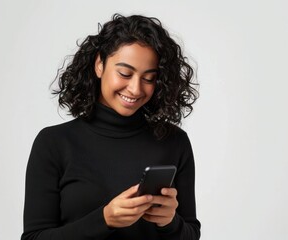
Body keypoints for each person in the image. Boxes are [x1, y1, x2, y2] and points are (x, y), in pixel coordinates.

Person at [21, 13, 200, 240]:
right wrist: (104, 219)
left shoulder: (175, 142)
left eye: (149, 78)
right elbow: (34, 238)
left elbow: (191, 234)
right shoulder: (54, 143)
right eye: (125, 73)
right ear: (99, 64)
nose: (135, 89)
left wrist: (169, 222)